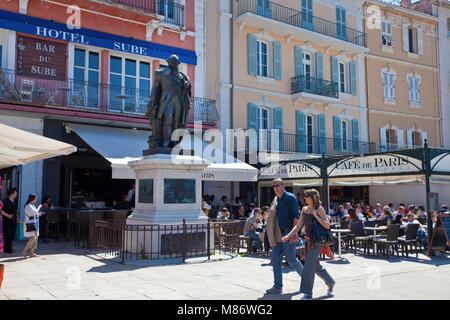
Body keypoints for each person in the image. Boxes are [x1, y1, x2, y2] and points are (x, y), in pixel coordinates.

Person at [282, 189, 335, 300]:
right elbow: (298, 226)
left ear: (312, 197)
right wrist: (289, 236)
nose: (304, 198)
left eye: (306, 196)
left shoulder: (319, 209)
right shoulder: (305, 209)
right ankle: (330, 282)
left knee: (308, 265)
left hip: (317, 241)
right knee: (315, 266)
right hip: (308, 241)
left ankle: (308, 293)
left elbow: (327, 226)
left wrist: (316, 216)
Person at [265, 178, 303, 295]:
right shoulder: (276, 199)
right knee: (275, 258)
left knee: (291, 259)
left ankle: (307, 279)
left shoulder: (290, 197)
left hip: (288, 232)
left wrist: (293, 234)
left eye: (277, 185)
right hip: (278, 234)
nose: (275, 188)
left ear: (283, 186)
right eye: (274, 186)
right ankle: (277, 286)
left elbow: (296, 217)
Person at [145, 54, 191, 148]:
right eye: (171, 61)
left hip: (179, 100)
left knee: (176, 122)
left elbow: (187, 90)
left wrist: (186, 86)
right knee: (168, 120)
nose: (173, 63)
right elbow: (155, 89)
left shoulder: (182, 77)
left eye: (175, 62)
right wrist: (151, 101)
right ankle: (166, 141)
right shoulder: (161, 73)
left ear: (178, 63)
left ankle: (174, 142)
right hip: (166, 100)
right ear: (168, 62)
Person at [2, 188, 18, 254]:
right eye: (15, 192)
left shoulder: (15, 201)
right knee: (8, 234)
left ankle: (7, 248)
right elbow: (1, 211)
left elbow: (15, 210)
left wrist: (17, 217)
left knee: (12, 235)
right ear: (12, 193)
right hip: (6, 221)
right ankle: (9, 249)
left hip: (13, 220)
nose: (16, 193)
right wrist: (7, 215)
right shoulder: (5, 201)